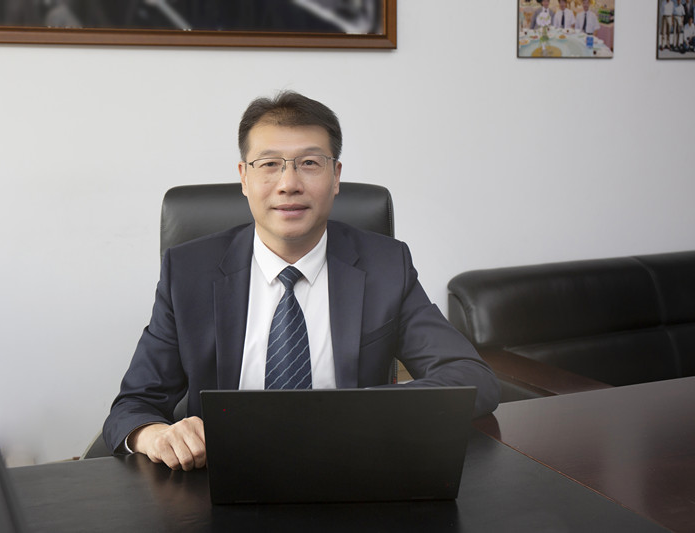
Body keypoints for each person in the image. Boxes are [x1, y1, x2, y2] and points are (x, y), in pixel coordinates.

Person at [102, 91, 500, 471]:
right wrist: (155, 435)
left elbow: (471, 377)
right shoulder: (189, 272)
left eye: (309, 163)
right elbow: (133, 405)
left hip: (354, 468)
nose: (289, 183)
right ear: (244, 177)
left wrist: (359, 413)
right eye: (269, 164)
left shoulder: (385, 266)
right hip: (219, 476)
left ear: (336, 176)